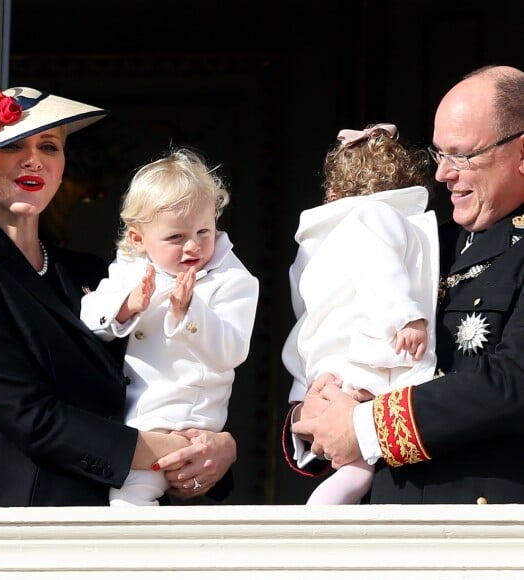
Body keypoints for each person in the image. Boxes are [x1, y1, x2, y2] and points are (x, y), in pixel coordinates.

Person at [0, 66, 236, 507]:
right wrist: (170, 452)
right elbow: (27, 413)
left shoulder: (90, 274)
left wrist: (218, 448)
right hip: (12, 526)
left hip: (116, 514)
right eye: (12, 147)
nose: (33, 159)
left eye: (49, 146)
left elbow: (162, 374)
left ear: (62, 167)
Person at [287, 64, 524, 504]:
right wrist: (318, 406)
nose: (442, 175)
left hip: (488, 531)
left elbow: (514, 381)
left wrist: (365, 426)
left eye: (462, 156)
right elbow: (339, 317)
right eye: (439, 155)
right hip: (385, 521)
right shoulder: (426, 238)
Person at [80, 148, 259, 506]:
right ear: (138, 238)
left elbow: (232, 352)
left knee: (128, 506)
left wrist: (190, 312)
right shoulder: (130, 268)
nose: (193, 245)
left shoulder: (233, 278)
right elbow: (89, 318)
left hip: (183, 423)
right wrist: (128, 305)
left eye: (203, 230)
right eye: (176, 237)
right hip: (129, 424)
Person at [282, 123, 439, 504]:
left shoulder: (315, 242)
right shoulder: (377, 215)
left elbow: (305, 311)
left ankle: (326, 505)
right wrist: (406, 315)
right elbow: (381, 266)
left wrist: (304, 385)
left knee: (355, 458)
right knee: (360, 458)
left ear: (333, 192)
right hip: (373, 354)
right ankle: (326, 506)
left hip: (329, 363)